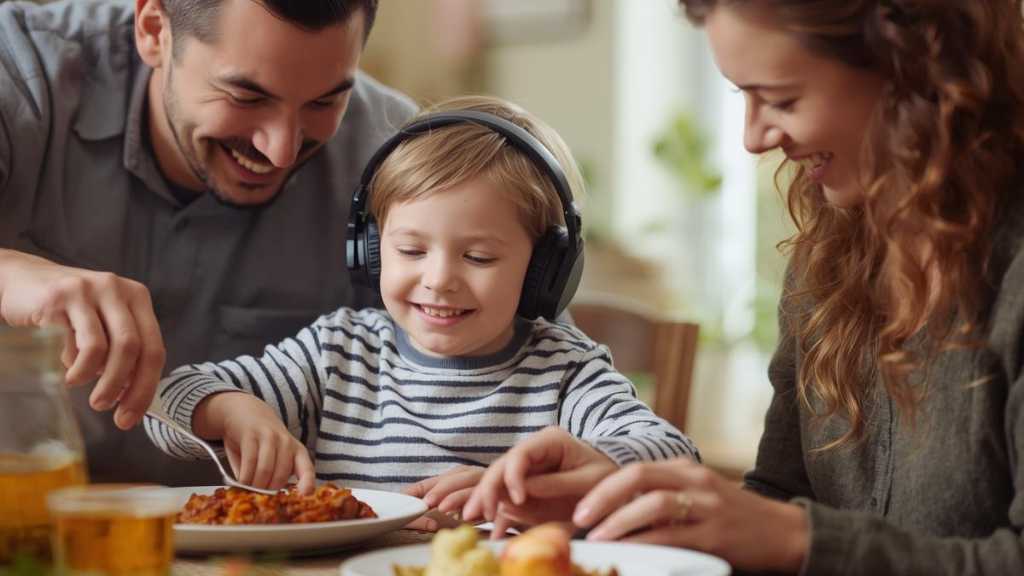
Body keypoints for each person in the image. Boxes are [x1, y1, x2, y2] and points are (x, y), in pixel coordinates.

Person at [460, 1, 1024, 574]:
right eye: (742, 97)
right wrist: (629, 506)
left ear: (918, 76)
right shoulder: (830, 259)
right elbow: (777, 498)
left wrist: (799, 538)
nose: (753, 138)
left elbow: (790, 531)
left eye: (781, 99)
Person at [145, 95, 700, 500]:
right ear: (371, 249)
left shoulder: (565, 371)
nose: (438, 279)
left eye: (478, 257)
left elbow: (674, 455)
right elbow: (165, 401)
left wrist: (546, 480)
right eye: (411, 250)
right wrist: (231, 409)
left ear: (544, 271)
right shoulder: (335, 353)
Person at [0, 0, 417, 485]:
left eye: (324, 103)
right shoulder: (18, 73)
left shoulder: (389, 157)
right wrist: (9, 276)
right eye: (246, 96)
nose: (281, 149)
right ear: (154, 30)